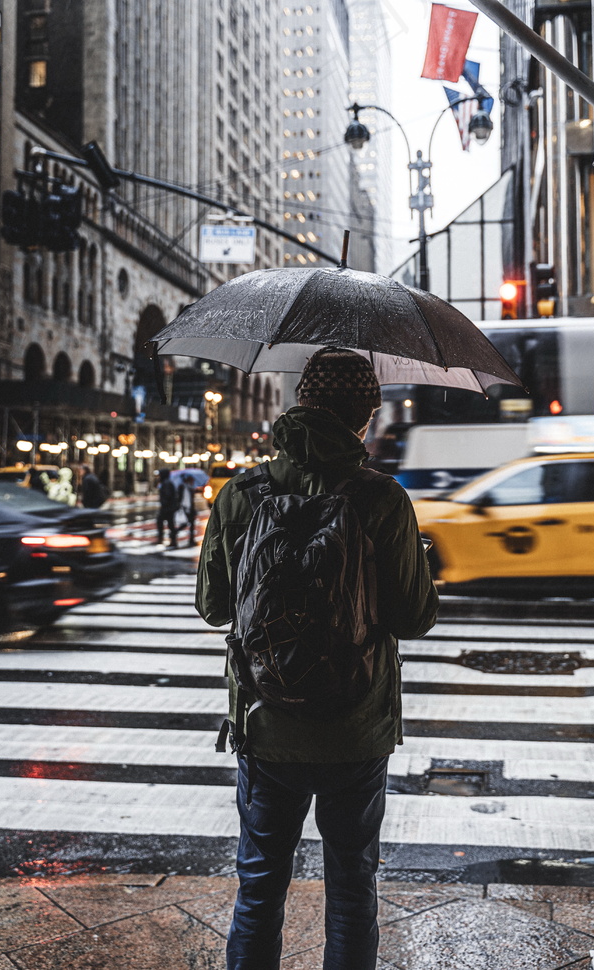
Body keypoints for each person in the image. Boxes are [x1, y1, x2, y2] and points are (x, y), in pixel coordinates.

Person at [196, 347, 438, 970]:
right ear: (367, 414)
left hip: (264, 719)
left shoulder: (241, 493)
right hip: (355, 726)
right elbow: (414, 619)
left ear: (299, 401)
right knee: (353, 888)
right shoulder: (382, 499)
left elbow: (213, 606)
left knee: (258, 888)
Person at [156, 468, 178, 548]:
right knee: (170, 524)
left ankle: (164, 539)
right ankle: (172, 540)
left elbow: (167, 495)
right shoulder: (166, 483)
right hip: (169, 507)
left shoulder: (166, 483)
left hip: (167, 508)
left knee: (163, 522)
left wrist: (164, 503)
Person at [177, 473, 197, 547]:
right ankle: (174, 532)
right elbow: (180, 498)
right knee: (186, 523)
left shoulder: (190, 488)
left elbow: (191, 500)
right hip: (184, 508)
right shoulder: (182, 487)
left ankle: (191, 539)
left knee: (191, 524)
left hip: (190, 508)